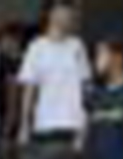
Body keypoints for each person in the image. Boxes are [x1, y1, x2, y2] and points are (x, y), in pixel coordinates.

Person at [17, 0, 91, 148]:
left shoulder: (77, 46)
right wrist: (24, 125)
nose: (67, 16)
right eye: (62, 11)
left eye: (69, 12)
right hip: (44, 123)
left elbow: (85, 89)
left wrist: (84, 127)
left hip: (73, 124)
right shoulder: (36, 47)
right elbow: (29, 90)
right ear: (50, 14)